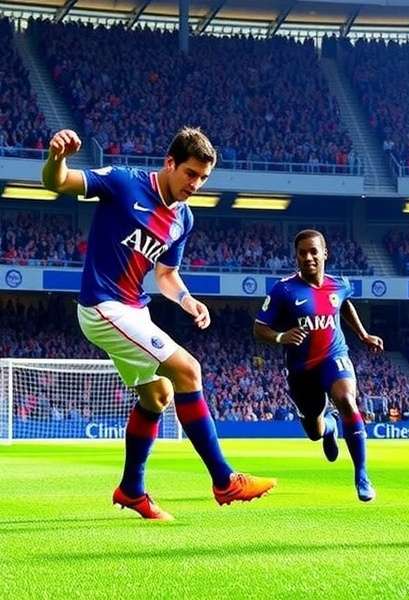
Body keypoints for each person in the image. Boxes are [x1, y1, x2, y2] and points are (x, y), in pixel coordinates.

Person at [41, 127, 277, 521]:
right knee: (189, 370)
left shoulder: (183, 219)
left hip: (133, 308)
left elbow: (166, 275)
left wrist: (188, 300)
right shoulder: (122, 183)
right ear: (170, 163)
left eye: (203, 178)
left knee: (158, 395)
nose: (196, 184)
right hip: (103, 306)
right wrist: (56, 156)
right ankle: (224, 480)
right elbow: (58, 182)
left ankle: (132, 490)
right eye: (190, 174)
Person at [253, 229, 383, 502]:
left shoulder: (339, 284)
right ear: (296, 256)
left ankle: (362, 475)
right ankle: (330, 428)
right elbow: (259, 328)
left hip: (334, 357)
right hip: (301, 370)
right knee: (314, 431)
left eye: (314, 251)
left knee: (347, 399)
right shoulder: (284, 289)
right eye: (303, 253)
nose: (309, 257)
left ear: (325, 253)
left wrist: (363, 335)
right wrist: (281, 336)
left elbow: (344, 304)